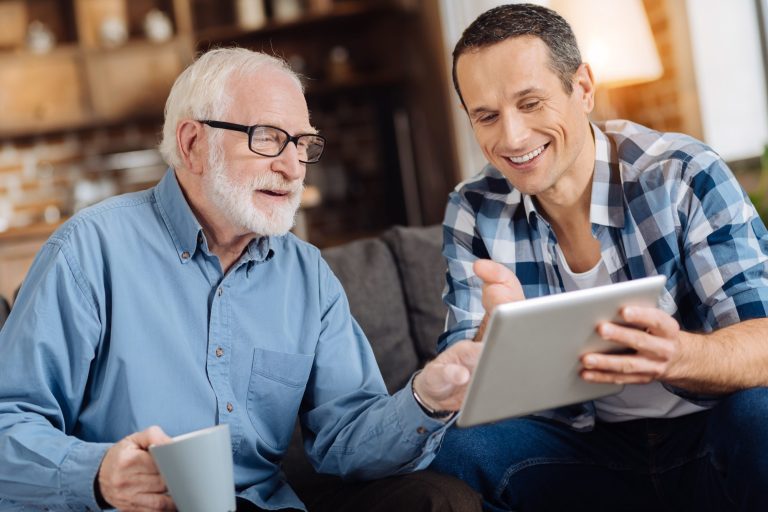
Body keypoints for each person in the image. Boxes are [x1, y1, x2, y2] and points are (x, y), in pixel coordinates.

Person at [0, 48, 483, 512]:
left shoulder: (307, 276)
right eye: (269, 138)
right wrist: (99, 472)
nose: (293, 168)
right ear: (193, 144)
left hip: (263, 505)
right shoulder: (89, 250)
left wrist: (426, 398)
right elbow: (8, 424)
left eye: (302, 144)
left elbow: (346, 440)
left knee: (440, 501)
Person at [429, 4, 768, 511]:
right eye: (487, 116)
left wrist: (678, 355)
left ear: (583, 88)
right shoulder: (473, 209)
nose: (513, 138)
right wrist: (490, 343)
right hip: (586, 455)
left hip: (709, 436)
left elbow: (763, 338)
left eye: (531, 102)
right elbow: (461, 393)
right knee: (457, 451)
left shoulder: (682, 174)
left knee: (761, 413)